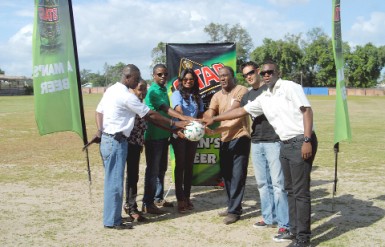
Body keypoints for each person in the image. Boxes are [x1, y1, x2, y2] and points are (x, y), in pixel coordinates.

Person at [202, 61, 318, 247]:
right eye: (263, 73)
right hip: (285, 143)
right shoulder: (265, 96)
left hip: (299, 141)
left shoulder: (289, 86)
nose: (266, 75)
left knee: (300, 193)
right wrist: (214, 119)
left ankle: (303, 238)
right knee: (290, 191)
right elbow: (240, 111)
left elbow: (307, 111)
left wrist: (306, 140)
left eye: (270, 72)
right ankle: (293, 231)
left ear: (277, 72)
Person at [95, 64, 188, 229]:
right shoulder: (126, 96)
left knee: (113, 182)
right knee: (115, 183)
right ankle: (112, 221)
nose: (138, 81)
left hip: (111, 140)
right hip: (116, 141)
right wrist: (174, 122)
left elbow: (99, 111)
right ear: (128, 77)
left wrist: (100, 131)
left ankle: (114, 217)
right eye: (136, 78)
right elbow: (150, 114)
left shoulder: (111, 90)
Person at [239, 61, 290, 240]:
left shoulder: (269, 89)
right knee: (262, 184)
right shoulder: (247, 96)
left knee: (278, 184)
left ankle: (284, 225)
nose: (249, 77)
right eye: (245, 75)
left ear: (258, 72)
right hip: (256, 142)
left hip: (274, 141)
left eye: (251, 72)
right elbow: (239, 115)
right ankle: (269, 218)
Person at [142, 64, 194, 215]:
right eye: (159, 74)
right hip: (153, 137)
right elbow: (166, 109)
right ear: (153, 75)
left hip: (164, 136)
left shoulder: (164, 89)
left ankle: (158, 198)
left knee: (161, 169)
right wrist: (182, 118)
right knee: (152, 170)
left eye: (165, 74)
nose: (163, 77)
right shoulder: (152, 91)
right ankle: (148, 202)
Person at [203, 66, 251, 225]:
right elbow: (211, 110)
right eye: (220, 76)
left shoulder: (241, 89)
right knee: (227, 175)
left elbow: (235, 113)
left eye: (225, 75)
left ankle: (234, 211)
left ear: (232, 76)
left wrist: (215, 125)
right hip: (224, 139)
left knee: (237, 176)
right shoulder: (217, 95)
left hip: (240, 137)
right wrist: (207, 117)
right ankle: (232, 205)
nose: (222, 78)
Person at [170, 68, 204, 213]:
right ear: (181, 81)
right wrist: (187, 126)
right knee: (180, 165)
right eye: (186, 79)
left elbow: (201, 113)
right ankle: (180, 199)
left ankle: (187, 197)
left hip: (194, 135)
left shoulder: (197, 96)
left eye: (191, 79)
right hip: (180, 134)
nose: (188, 82)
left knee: (189, 166)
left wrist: (201, 124)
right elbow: (178, 111)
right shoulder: (177, 94)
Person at [123, 79, 148, 222]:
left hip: (136, 145)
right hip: (126, 144)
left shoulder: (140, 104)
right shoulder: (130, 103)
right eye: (140, 89)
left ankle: (131, 205)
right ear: (132, 89)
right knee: (130, 176)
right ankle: (131, 207)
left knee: (133, 176)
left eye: (144, 89)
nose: (142, 92)